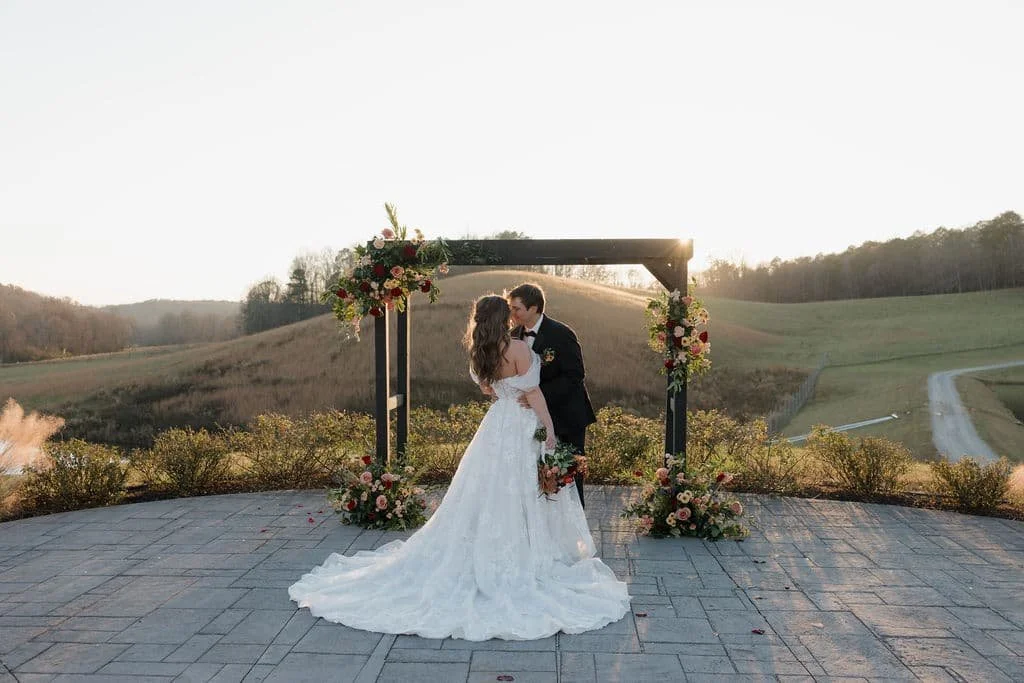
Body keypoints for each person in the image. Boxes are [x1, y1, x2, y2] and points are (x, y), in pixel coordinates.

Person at [288, 295, 629, 641]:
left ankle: (490, 547)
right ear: (501, 319)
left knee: (487, 490)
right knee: (524, 489)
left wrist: (506, 392)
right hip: (523, 425)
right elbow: (537, 396)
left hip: (497, 425)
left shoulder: (480, 353)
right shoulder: (520, 351)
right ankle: (528, 553)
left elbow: (488, 390)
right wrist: (551, 433)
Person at [507, 283, 597, 508]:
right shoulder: (512, 336)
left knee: (570, 470)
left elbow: (575, 375)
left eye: (517, 308)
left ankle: (577, 525)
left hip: (566, 414)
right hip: (532, 418)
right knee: (539, 470)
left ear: (534, 307)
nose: (512, 313)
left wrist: (534, 395)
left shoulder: (561, 333)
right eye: (511, 308)